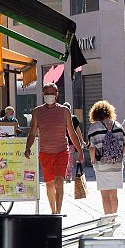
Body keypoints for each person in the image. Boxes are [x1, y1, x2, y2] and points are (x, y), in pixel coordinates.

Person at [25, 83, 85, 214]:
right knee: (49, 184)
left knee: (59, 181)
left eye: (51, 93)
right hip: (45, 153)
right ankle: (53, 211)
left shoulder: (64, 111)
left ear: (57, 95)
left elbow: (71, 132)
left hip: (62, 152)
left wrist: (80, 151)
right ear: (42, 94)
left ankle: (58, 211)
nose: (49, 96)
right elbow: (32, 132)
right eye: (46, 93)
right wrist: (28, 147)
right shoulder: (37, 111)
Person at [87, 101, 125, 215]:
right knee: (114, 195)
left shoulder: (94, 128)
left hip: (102, 164)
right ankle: (114, 218)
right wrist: (120, 155)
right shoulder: (118, 126)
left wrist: (92, 160)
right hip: (117, 164)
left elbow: (91, 148)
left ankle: (108, 219)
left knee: (104, 195)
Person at [63, 102, 85, 183]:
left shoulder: (73, 118)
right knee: (68, 160)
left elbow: (78, 130)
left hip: (69, 142)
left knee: (68, 160)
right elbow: (78, 130)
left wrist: (81, 140)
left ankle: (67, 175)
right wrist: (82, 140)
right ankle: (67, 175)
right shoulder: (70, 118)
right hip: (65, 143)